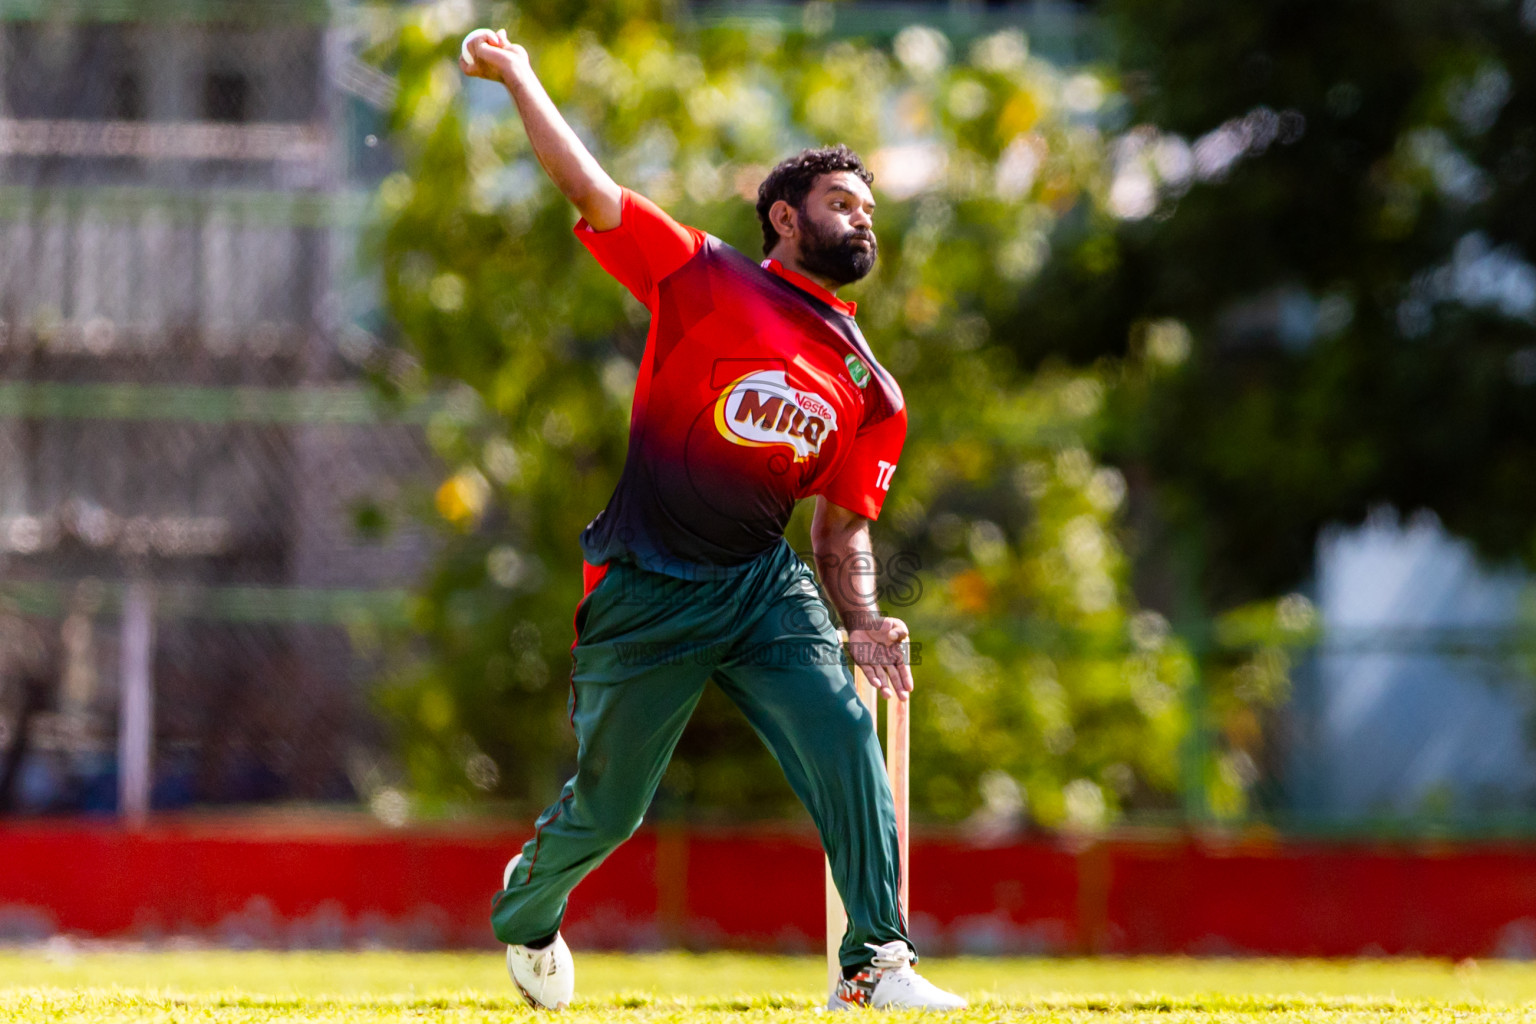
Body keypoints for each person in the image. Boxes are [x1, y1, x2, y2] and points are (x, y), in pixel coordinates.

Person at [458, 28, 967, 1013]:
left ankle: (872, 962)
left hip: (760, 584)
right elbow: (590, 187)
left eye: (871, 209)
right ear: (786, 215)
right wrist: (520, 75)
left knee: (843, 739)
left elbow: (842, 529)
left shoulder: (873, 391)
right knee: (609, 810)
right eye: (841, 202)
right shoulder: (703, 274)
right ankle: (525, 913)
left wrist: (860, 619)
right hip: (645, 580)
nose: (863, 220)